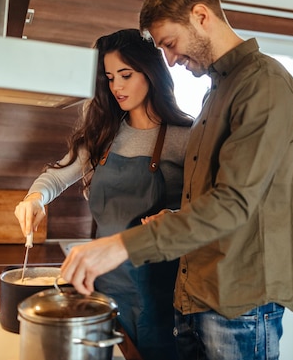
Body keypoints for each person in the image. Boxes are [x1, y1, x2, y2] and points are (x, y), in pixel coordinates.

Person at [61, 0, 293, 360]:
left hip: (238, 303)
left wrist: (123, 245)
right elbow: (216, 197)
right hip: (196, 294)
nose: (171, 61)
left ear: (201, 15)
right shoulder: (218, 91)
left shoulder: (265, 85)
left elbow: (234, 203)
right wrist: (173, 213)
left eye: (170, 44)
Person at [14, 28, 192, 360]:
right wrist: (33, 199)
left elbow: (207, 207)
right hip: (103, 285)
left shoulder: (187, 137)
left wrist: (172, 217)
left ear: (151, 73)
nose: (117, 87)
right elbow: (55, 177)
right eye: (110, 77)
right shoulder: (104, 134)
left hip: (162, 289)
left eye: (125, 75)